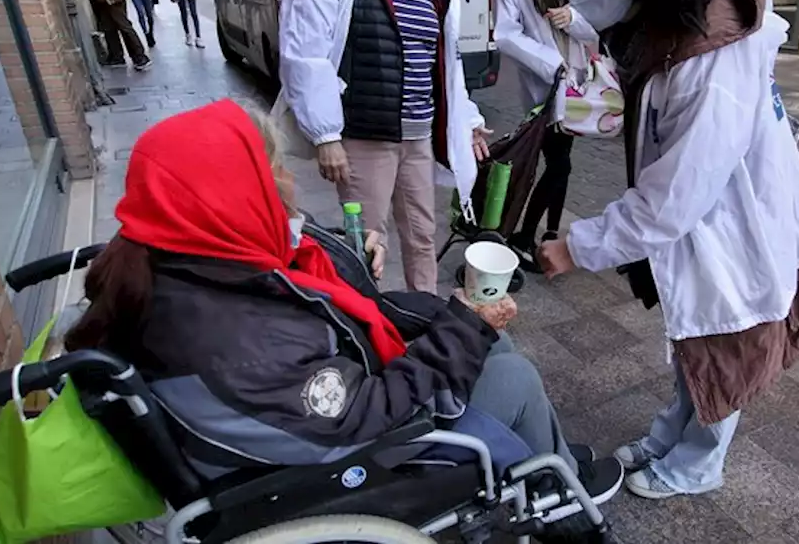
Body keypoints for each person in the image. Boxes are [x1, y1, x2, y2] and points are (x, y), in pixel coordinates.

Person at [63, 100, 622, 542]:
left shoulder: (183, 261)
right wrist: (467, 326)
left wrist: (348, 263)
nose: (286, 181)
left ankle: (554, 466)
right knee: (512, 374)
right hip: (336, 464)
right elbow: (365, 415)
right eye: (273, 170)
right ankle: (560, 500)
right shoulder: (236, 342)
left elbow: (291, 290)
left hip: (304, 416)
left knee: (494, 350)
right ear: (232, 196)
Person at [539, 0, 799, 500]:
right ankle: (670, 433)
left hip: (729, 218)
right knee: (691, 339)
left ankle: (699, 463)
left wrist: (579, 246)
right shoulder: (666, 10)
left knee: (718, 341)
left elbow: (676, 193)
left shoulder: (711, 50)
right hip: (702, 212)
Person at [277, 0, 491, 293]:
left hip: (418, 133)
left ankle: (427, 318)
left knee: (421, 235)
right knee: (368, 245)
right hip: (364, 138)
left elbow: (444, 60)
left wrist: (466, 118)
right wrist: (325, 135)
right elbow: (304, 52)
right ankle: (371, 333)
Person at [493, 0, 596, 271]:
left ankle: (545, 233)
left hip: (578, 77)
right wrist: (550, 64)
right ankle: (524, 236)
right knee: (557, 160)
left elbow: (599, 19)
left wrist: (573, 18)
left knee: (561, 157)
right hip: (544, 80)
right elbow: (505, 31)